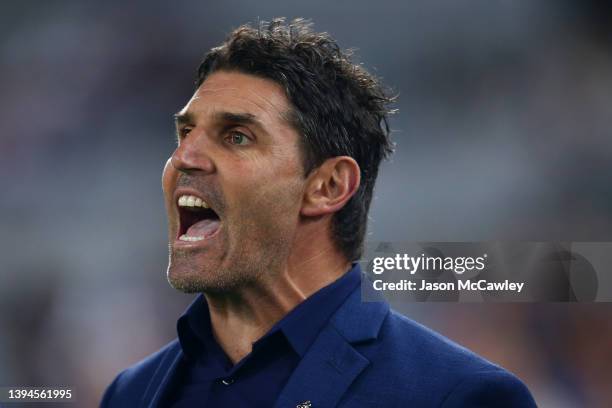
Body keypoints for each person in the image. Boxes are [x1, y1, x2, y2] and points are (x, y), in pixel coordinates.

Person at [101, 18, 536, 407]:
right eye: (185, 132)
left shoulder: (459, 395)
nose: (184, 157)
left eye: (236, 136)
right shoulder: (130, 393)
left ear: (328, 186)